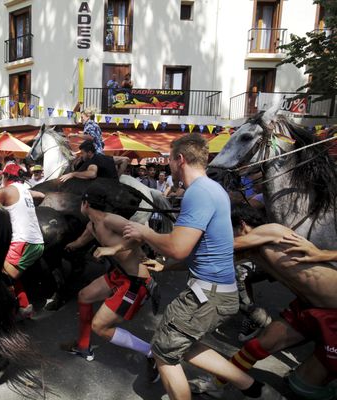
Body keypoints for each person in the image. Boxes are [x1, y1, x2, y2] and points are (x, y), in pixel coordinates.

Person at [121, 133, 283, 400]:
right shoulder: (212, 190)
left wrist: (143, 232)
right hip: (218, 292)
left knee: (163, 352)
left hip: (207, 295)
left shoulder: (197, 193)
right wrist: (165, 266)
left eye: (170, 161)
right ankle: (256, 390)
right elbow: (201, 249)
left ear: (179, 160)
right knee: (179, 344)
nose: (169, 166)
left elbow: (177, 247)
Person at [191, 204, 337, 400]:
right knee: (257, 346)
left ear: (242, 225)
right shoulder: (252, 250)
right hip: (306, 306)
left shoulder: (271, 230)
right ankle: (216, 385)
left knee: (303, 387)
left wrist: (324, 254)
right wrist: (163, 266)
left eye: (226, 229)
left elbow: (222, 246)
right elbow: (203, 258)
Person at [61, 184, 160, 383]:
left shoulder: (110, 220)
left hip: (136, 281)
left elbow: (140, 236)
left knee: (101, 327)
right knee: (84, 295)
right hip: (119, 274)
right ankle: (83, 346)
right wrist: (67, 246)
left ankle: (152, 353)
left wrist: (113, 249)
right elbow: (80, 242)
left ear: (85, 203)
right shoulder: (92, 225)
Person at [0, 163, 45, 319]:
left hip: (21, 242)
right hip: (38, 243)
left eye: (3, 176)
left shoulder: (4, 191)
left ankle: (10, 313)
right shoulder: (26, 190)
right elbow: (41, 195)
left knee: (3, 274)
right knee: (12, 275)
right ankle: (25, 307)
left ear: (7, 176)